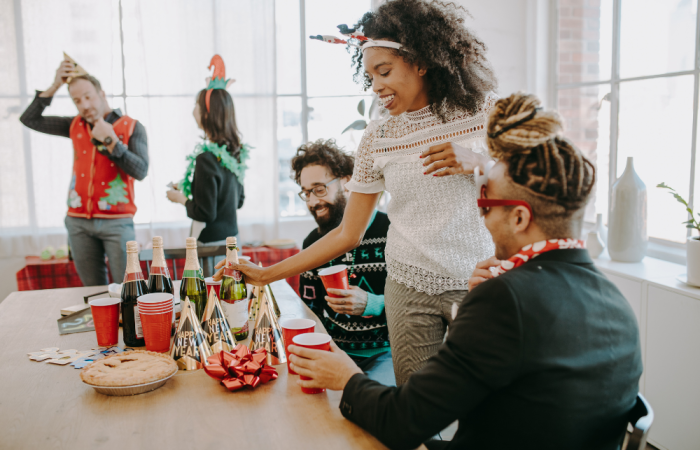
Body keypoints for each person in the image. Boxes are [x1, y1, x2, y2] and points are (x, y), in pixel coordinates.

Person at [287, 93, 644, 450]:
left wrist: (346, 377)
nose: (481, 218)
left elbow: (403, 421)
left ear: (519, 217)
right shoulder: (615, 301)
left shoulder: (505, 298)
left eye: (485, 204)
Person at [216, 0, 498, 385]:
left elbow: (542, 182)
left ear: (421, 61)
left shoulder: (482, 113)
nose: (377, 86)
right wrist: (266, 275)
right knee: (415, 407)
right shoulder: (377, 138)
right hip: (407, 287)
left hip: (476, 281)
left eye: (385, 71)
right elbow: (347, 234)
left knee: (483, 400)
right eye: (370, 77)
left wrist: (480, 162)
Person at [19, 58, 149, 286]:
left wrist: (111, 142)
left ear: (102, 93)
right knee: (94, 293)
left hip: (117, 222)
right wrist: (54, 86)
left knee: (128, 288)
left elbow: (141, 170)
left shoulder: (131, 127)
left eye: (88, 96)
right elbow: (29, 119)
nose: (85, 105)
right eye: (77, 100)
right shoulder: (74, 125)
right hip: (78, 222)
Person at [292, 139, 390, 360]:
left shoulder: (391, 230)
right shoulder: (312, 243)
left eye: (319, 189)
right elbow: (310, 311)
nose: (312, 202)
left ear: (347, 182)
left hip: (386, 353)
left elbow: (415, 304)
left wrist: (372, 304)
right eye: (306, 193)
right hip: (335, 354)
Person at [167, 55, 248, 245]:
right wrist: (193, 187)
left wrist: (180, 199)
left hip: (211, 247)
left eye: (196, 105)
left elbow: (205, 213)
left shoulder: (206, 159)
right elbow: (238, 201)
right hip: (233, 241)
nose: (192, 111)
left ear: (206, 114)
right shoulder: (236, 152)